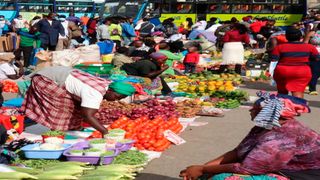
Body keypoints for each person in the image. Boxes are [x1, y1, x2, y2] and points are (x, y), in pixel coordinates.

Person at [180, 92, 320, 180]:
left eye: (256, 109)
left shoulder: (284, 137)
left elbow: (246, 169)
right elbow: (237, 152)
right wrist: (201, 167)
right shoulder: (262, 127)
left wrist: (202, 169)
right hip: (271, 167)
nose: (250, 110)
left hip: (300, 175)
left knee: (224, 178)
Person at [21, 66, 136, 136]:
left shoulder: (106, 84)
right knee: (63, 106)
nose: (116, 100)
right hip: (46, 79)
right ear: (111, 90)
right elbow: (88, 116)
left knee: (75, 104)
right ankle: (57, 132)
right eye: (117, 97)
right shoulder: (95, 93)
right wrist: (105, 131)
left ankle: (71, 127)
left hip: (58, 74)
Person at [272, 27, 319, 98]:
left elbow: (274, 59)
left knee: (282, 93)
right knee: (298, 92)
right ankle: (298, 108)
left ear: (286, 37)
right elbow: (317, 58)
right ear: (300, 37)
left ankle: (283, 107)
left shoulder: (279, 47)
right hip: (302, 72)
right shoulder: (310, 47)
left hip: (283, 71)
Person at [303, 23, 320, 95]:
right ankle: (312, 88)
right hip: (313, 54)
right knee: (315, 72)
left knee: (317, 72)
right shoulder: (313, 33)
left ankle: (308, 84)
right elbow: (305, 43)